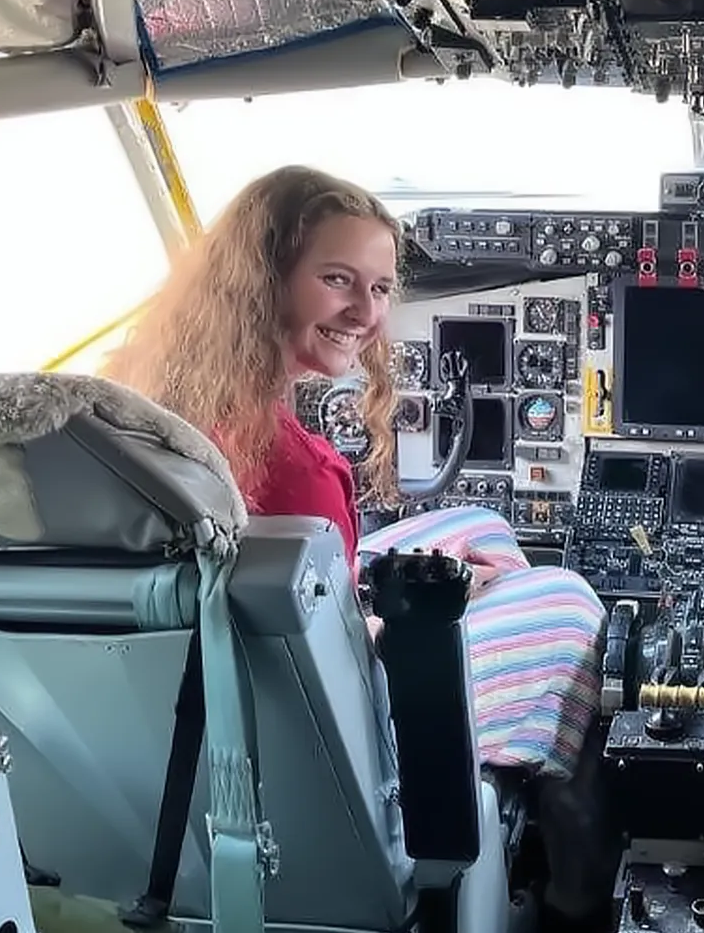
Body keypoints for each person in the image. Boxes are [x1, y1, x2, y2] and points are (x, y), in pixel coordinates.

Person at [101, 166, 612, 923]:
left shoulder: (151, 406)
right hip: (312, 733)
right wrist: (428, 603)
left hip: (165, 702)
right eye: (337, 279)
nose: (365, 313)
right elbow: (344, 659)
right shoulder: (300, 471)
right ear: (261, 280)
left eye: (378, 288)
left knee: (483, 527)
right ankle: (573, 865)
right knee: (567, 598)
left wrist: (403, 580)